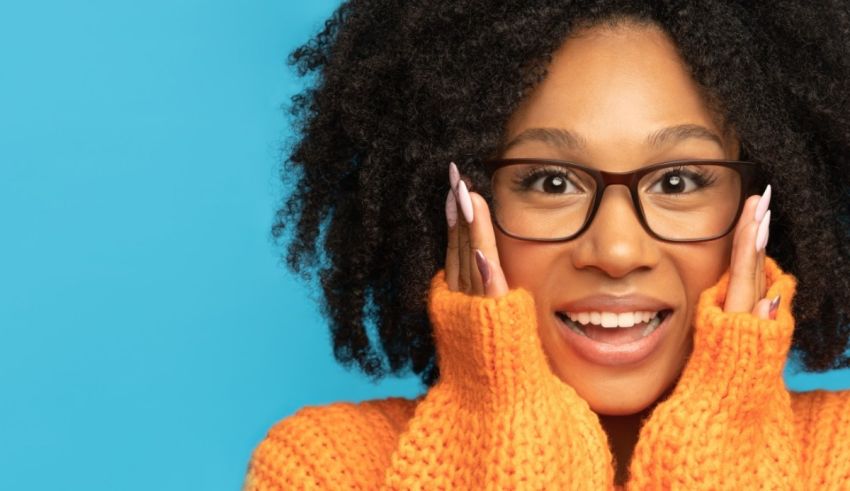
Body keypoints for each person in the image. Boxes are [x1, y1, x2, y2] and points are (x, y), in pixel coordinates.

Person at [245, 1, 850, 488]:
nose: (616, 251)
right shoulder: (328, 470)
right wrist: (507, 435)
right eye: (551, 181)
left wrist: (727, 433)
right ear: (460, 204)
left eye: (677, 181)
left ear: (772, 200)